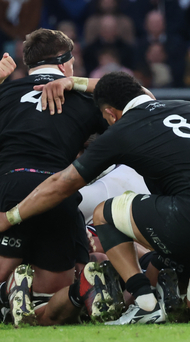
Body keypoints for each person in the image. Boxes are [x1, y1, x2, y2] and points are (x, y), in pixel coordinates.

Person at [0, 71, 190, 325]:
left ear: (110, 114)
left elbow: (62, 184)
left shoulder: (122, 130)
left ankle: (144, 301)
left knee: (103, 214)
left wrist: (12, 216)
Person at [0, 29, 116, 326]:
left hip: (9, 186)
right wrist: (77, 84)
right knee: (57, 296)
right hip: (57, 192)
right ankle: (76, 292)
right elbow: (140, 98)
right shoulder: (83, 96)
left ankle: (8, 293)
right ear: (65, 64)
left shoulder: (7, 92)